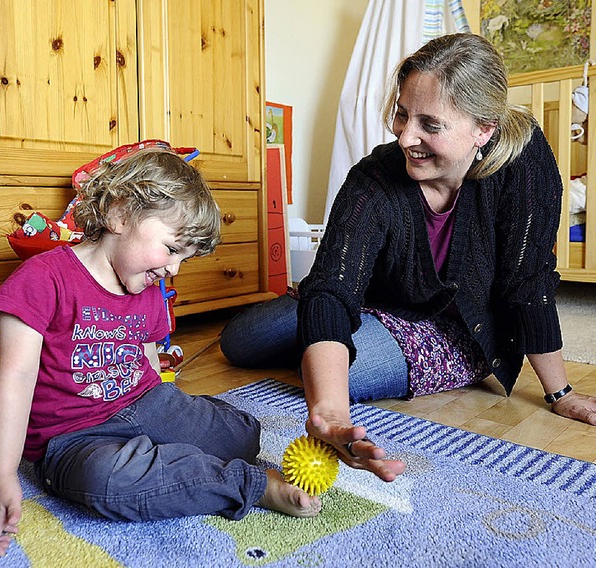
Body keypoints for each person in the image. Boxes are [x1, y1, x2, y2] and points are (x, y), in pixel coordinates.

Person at [220, 33, 596, 482]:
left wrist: (561, 392)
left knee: (346, 377)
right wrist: (328, 402)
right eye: (402, 114)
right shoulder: (374, 177)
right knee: (243, 338)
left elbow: (527, 280)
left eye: (429, 125)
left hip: (461, 326)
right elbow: (330, 285)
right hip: (379, 303)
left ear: (483, 128)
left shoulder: (524, 163)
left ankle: (327, 348)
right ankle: (331, 343)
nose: (405, 137)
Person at [0, 148, 321, 558]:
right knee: (107, 482)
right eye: (170, 248)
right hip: (74, 439)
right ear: (120, 214)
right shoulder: (41, 279)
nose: (174, 269)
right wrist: (3, 476)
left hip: (146, 403)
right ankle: (249, 486)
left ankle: (185, 443)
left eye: (184, 258)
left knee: (244, 437)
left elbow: (148, 362)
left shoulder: (146, 287)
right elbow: (15, 382)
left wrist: (176, 415)